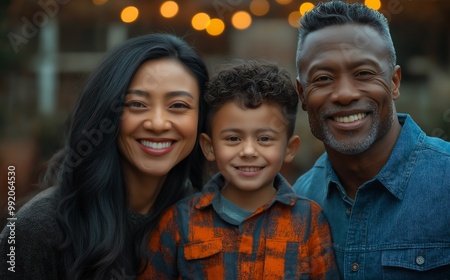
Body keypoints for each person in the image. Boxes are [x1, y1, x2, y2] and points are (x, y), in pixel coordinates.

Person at [293, 1, 450, 279]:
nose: (344, 93)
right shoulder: (299, 200)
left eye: (364, 73)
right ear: (302, 94)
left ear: (394, 82)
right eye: (323, 78)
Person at [0, 33, 209, 279]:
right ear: (105, 114)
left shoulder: (206, 222)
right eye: (137, 104)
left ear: (201, 121)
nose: (158, 123)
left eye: (178, 106)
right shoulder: (40, 228)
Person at [139, 60, 339, 279]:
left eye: (265, 138)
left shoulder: (308, 220)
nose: (248, 151)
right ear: (209, 147)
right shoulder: (180, 221)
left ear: (290, 149)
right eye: (233, 138)